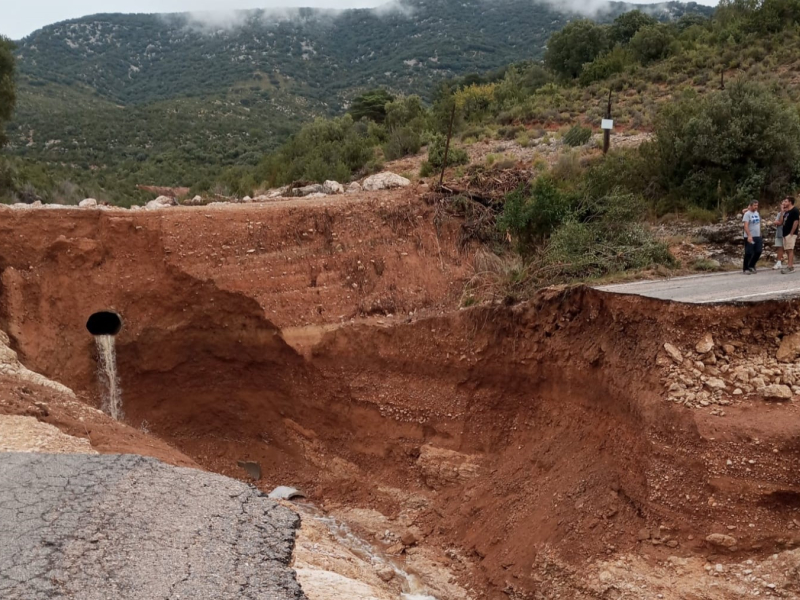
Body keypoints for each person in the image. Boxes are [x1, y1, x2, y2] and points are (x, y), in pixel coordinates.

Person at [742, 200, 762, 274]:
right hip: (750, 236)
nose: (756, 207)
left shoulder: (757, 213)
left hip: (758, 235)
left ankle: (752, 265)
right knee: (749, 252)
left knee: (758, 251)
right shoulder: (747, 214)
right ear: (750, 206)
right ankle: (746, 268)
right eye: (754, 205)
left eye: (757, 205)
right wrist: (749, 235)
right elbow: (746, 225)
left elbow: (758, 224)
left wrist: (760, 234)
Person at [782, 197, 800, 274]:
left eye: (786, 201)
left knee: (790, 249)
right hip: (785, 233)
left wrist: (791, 233)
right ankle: (789, 265)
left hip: (790, 234)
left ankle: (790, 267)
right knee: (787, 249)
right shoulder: (787, 212)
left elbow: (796, 222)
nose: (784, 203)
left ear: (790, 202)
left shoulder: (795, 210)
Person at [774, 199, 789, 269]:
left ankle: (790, 263)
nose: (783, 206)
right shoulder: (780, 214)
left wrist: (778, 222)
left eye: (784, 204)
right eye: (782, 204)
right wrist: (782, 212)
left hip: (787, 234)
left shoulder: (790, 213)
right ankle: (779, 262)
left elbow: (779, 223)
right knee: (780, 248)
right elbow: (779, 222)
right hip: (780, 233)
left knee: (789, 248)